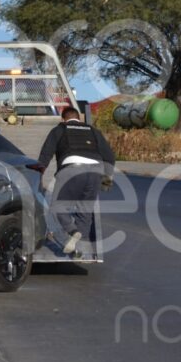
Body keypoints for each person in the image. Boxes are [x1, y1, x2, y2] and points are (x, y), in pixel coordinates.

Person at [38, 106, 115, 255]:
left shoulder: (59, 129)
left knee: (57, 207)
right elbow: (109, 156)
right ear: (79, 118)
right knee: (85, 212)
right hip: (95, 171)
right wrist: (107, 177)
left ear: (63, 119)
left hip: (71, 169)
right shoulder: (92, 130)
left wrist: (38, 175)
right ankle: (81, 249)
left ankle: (73, 232)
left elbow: (45, 154)